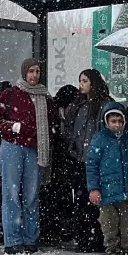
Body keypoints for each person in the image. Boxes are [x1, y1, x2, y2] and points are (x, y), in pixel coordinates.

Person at [0, 59, 56, 254]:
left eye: (37, 71)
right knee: (11, 195)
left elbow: (53, 126)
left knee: (32, 195)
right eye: (31, 71)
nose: (34, 75)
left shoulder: (45, 97)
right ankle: (12, 240)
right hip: (12, 147)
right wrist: (12, 126)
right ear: (24, 73)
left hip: (35, 149)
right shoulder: (10, 94)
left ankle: (30, 239)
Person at [87, 102, 128, 255]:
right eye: (113, 121)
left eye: (120, 121)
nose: (117, 125)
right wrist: (94, 188)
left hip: (127, 192)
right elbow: (92, 165)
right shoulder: (99, 139)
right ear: (106, 122)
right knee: (109, 226)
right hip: (106, 192)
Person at [64, 69, 112, 252]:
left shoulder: (103, 105)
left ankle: (96, 237)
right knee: (83, 200)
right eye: (80, 81)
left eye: (84, 81)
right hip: (80, 159)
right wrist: (73, 149)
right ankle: (85, 236)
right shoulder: (78, 105)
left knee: (96, 201)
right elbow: (71, 129)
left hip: (96, 159)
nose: (81, 84)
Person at [39, 83, 79, 245]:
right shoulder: (68, 114)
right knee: (61, 195)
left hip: (57, 160)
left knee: (54, 194)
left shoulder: (54, 112)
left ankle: (54, 229)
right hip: (60, 160)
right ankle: (61, 228)